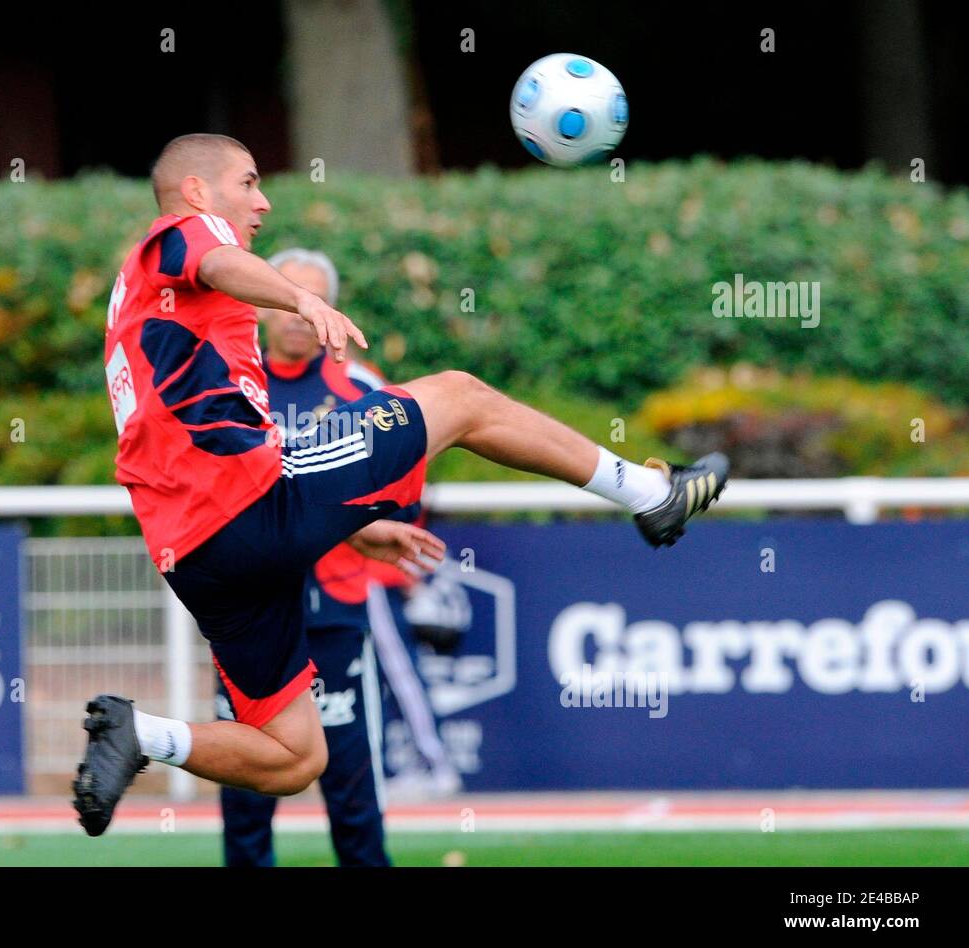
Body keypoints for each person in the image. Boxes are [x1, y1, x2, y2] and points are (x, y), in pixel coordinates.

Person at [74, 133, 728, 837]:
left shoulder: (144, 300)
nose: (262, 200)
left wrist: (351, 524)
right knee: (462, 396)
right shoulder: (180, 233)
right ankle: (649, 495)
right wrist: (298, 296)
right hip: (247, 508)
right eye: (249, 182)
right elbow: (220, 258)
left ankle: (143, 736)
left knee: (294, 757)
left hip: (200, 556)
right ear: (199, 191)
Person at [218, 247, 398, 867]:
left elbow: (396, 499)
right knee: (246, 795)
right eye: (290, 297)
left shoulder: (366, 391)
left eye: (315, 299)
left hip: (337, 618)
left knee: (351, 789)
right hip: (252, 618)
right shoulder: (229, 385)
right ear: (265, 304)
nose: (300, 315)